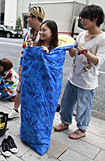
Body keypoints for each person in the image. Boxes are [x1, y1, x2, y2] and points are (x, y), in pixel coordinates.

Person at [54, 5, 105, 139]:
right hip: (73, 77)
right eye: (81, 18)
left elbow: (98, 61)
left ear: (95, 18)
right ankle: (65, 122)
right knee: (66, 103)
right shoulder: (81, 34)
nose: (82, 21)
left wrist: (84, 50)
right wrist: (67, 46)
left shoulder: (104, 39)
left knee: (83, 106)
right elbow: (74, 54)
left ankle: (82, 129)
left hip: (87, 81)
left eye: (85, 18)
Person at [20, 20, 76, 155]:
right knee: (30, 111)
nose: (41, 32)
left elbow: (69, 54)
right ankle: (27, 135)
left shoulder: (57, 48)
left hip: (48, 88)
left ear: (53, 32)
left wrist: (48, 53)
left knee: (43, 113)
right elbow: (27, 63)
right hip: (32, 88)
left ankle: (39, 140)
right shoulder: (36, 45)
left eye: (44, 30)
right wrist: (35, 51)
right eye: (40, 30)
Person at [8, 6, 45, 119]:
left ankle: (34, 112)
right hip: (25, 63)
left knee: (35, 89)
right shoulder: (28, 32)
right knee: (20, 85)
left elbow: (47, 49)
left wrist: (34, 46)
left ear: (36, 18)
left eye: (29, 17)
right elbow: (24, 49)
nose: (27, 19)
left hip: (37, 66)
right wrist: (21, 63)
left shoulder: (43, 31)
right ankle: (15, 110)